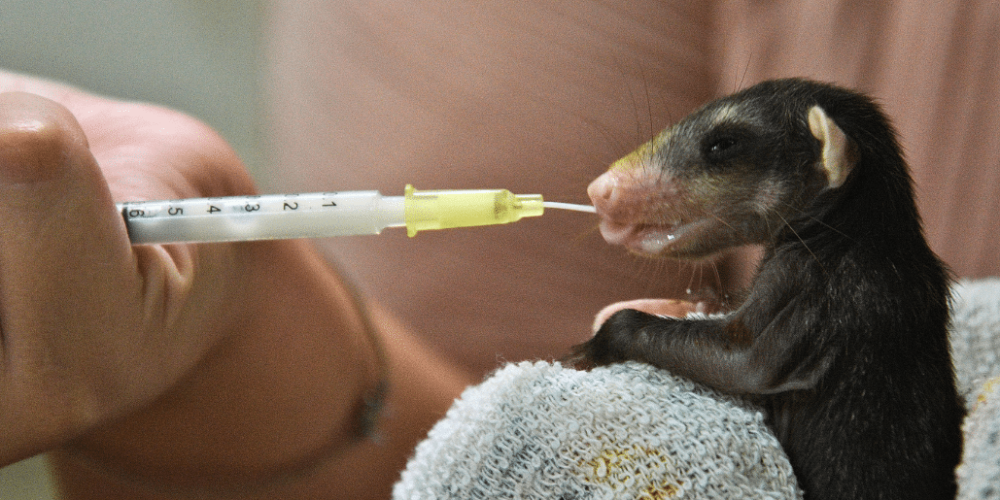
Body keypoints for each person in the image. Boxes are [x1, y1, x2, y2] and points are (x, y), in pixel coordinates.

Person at [1, 1, 997, 499]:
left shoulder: (866, 292)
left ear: (828, 162)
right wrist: (217, 329)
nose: (615, 186)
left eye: (721, 152)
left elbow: (757, 362)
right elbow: (472, 460)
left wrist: (641, 339)